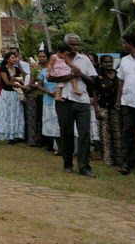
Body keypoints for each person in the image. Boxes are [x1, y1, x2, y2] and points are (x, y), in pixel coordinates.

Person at [50, 34, 97, 176]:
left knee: (84, 133)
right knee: (67, 133)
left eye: (77, 44)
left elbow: (92, 80)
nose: (75, 47)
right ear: (65, 45)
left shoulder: (84, 59)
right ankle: (67, 164)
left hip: (82, 100)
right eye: (72, 44)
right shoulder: (57, 58)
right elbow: (50, 77)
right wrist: (69, 77)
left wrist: (79, 74)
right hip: (64, 100)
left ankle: (84, 167)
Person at [117, 33, 135, 175]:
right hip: (127, 102)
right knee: (127, 133)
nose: (123, 46)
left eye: (125, 43)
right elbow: (121, 81)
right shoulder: (124, 60)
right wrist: (119, 99)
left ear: (130, 43)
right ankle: (127, 163)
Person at [96, 54, 122, 167]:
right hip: (103, 107)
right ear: (101, 63)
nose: (108, 64)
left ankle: (119, 159)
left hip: (116, 108)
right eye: (106, 62)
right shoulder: (99, 77)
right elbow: (95, 93)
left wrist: (118, 101)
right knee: (105, 134)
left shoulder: (118, 75)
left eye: (110, 61)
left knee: (117, 134)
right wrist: (96, 109)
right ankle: (108, 160)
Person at [0, 51, 25, 144]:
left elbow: (24, 77)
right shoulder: (3, 69)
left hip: (16, 94)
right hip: (7, 94)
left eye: (15, 57)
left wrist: (19, 66)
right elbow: (6, 82)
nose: (15, 59)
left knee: (16, 113)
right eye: (12, 57)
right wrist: (17, 83)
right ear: (7, 59)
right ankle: (7, 133)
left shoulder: (17, 69)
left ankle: (16, 134)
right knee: (7, 113)